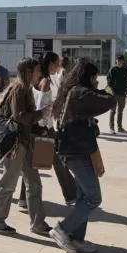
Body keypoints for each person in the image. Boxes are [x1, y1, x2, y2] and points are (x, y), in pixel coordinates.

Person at [48, 58, 116, 253]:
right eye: (95, 77)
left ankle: (75, 239)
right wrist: (102, 89)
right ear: (90, 77)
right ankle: (63, 230)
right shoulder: (81, 92)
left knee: (83, 197)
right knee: (93, 198)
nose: (96, 80)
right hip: (77, 152)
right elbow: (109, 101)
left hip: (73, 150)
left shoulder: (72, 90)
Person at [0, 57, 51, 236]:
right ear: (29, 71)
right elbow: (20, 116)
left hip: (25, 142)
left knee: (34, 183)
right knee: (8, 183)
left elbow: (25, 119)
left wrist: (39, 128)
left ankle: (38, 222)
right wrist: (41, 114)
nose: (40, 74)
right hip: (15, 145)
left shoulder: (25, 88)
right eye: (38, 70)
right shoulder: (19, 88)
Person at [17, 51, 77, 209]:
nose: (59, 66)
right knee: (57, 161)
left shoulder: (36, 80)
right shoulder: (45, 82)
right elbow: (41, 108)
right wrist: (42, 127)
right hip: (44, 128)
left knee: (32, 164)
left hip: (38, 127)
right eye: (57, 63)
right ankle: (72, 195)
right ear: (51, 64)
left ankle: (24, 199)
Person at [106, 55, 127, 134]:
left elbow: (126, 83)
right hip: (114, 93)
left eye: (121, 61)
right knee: (113, 111)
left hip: (122, 93)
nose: (119, 62)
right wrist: (111, 91)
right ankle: (111, 128)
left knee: (120, 111)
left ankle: (119, 127)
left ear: (123, 61)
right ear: (116, 61)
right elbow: (108, 82)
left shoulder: (125, 70)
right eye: (118, 61)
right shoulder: (112, 70)